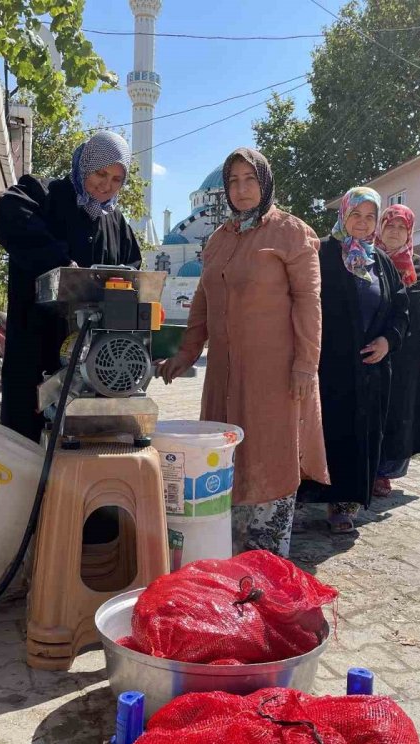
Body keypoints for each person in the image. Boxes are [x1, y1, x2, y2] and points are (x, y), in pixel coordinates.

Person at [157, 147, 329, 557]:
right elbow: (203, 300)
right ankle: (227, 554)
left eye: (250, 179)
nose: (241, 188)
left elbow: (309, 301)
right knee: (224, 453)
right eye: (233, 181)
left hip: (276, 373)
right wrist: (186, 352)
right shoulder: (219, 240)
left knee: (271, 453)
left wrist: (307, 364)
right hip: (224, 373)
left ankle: (268, 560)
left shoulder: (291, 232)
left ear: (264, 182)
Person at [0, 131, 142, 442]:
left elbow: (133, 268)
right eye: (101, 173)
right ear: (84, 164)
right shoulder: (45, 193)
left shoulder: (115, 222)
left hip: (91, 357)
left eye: (116, 179)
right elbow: (8, 212)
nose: (106, 185)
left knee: (82, 442)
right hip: (36, 343)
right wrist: (60, 264)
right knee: (28, 439)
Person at [298, 187, 409, 534]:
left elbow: (401, 311)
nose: (362, 223)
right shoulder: (322, 255)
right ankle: (308, 496)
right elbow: (303, 302)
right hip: (328, 365)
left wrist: (387, 341)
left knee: (362, 435)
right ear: (343, 216)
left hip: (371, 369)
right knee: (326, 430)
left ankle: (345, 504)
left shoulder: (383, 263)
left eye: (369, 217)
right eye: (355, 215)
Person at [373, 205, 420, 497]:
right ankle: (367, 467)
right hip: (374, 352)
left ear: (409, 232)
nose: (394, 231)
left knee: (400, 412)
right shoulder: (364, 260)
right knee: (374, 411)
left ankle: (385, 472)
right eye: (389, 225)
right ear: (380, 228)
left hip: (408, 357)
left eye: (401, 227)